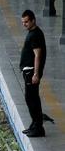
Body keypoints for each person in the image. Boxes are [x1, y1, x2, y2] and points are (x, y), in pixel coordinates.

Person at [19, 9, 46, 137]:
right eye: (23, 22)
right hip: (29, 71)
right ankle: (34, 124)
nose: (24, 24)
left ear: (33, 20)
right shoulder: (33, 33)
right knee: (30, 98)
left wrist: (36, 74)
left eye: (26, 22)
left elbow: (37, 56)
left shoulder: (35, 35)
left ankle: (38, 127)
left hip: (31, 72)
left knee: (32, 99)